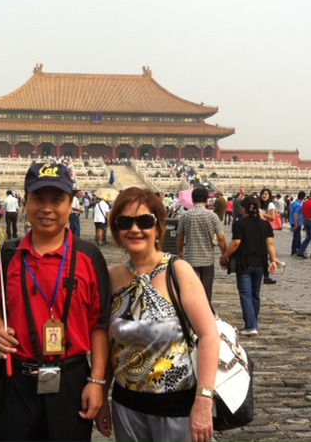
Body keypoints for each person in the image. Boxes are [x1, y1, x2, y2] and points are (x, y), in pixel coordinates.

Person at [0, 161, 111, 441]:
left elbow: (100, 325)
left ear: (71, 204)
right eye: (38, 199)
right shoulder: (9, 255)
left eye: (57, 199)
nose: (47, 208)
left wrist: (97, 381)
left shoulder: (88, 257)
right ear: (25, 202)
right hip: (15, 379)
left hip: (71, 380)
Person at [96, 187, 219, 442]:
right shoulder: (112, 277)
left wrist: (204, 400)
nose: (135, 229)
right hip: (127, 406)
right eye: (125, 222)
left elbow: (209, 335)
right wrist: (102, 395)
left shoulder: (179, 271)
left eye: (144, 221)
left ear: (158, 226)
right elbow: (110, 347)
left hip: (176, 408)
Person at [220, 194, 278, 336]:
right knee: (255, 294)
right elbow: (270, 244)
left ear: (244, 209)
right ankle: (253, 322)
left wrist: (224, 256)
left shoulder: (239, 224)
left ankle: (251, 325)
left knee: (245, 294)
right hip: (260, 263)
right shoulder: (265, 225)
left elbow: (236, 243)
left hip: (244, 262)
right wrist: (273, 260)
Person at [176, 187, 227, 303]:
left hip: (190, 258)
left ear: (192, 199)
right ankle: (206, 310)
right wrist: (225, 254)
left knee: (190, 289)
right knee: (206, 289)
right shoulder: (212, 216)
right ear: (207, 199)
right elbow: (221, 237)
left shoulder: (185, 215)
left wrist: (179, 251)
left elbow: (180, 237)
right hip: (207, 258)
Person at [258, 188, 278, 284]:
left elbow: (273, 217)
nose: (264, 195)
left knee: (265, 251)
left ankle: (266, 275)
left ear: (269, 195)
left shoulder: (270, 205)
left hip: (265, 228)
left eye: (265, 194)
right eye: (262, 194)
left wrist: (262, 214)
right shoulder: (260, 204)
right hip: (259, 228)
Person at [296, 190, 311, 260]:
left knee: (308, 238)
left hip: (306, 221)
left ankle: (300, 251)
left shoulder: (305, 203)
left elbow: (303, 212)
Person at [289, 191, 306, 256]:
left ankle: (299, 249)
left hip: (293, 222)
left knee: (298, 236)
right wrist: (296, 224)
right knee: (296, 237)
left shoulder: (294, 203)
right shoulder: (298, 205)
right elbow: (295, 215)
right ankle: (294, 250)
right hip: (296, 222)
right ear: (303, 197)